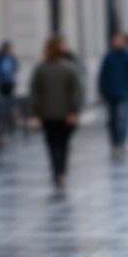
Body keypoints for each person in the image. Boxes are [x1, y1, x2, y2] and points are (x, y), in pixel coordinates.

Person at [30, 35, 85, 192]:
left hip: (47, 114)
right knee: (63, 145)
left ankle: (56, 172)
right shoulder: (69, 68)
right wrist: (74, 111)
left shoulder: (40, 69)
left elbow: (35, 93)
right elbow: (76, 92)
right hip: (65, 114)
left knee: (52, 144)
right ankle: (61, 172)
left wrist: (35, 113)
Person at [101, 33, 128, 156]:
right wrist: (102, 89)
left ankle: (122, 142)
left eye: (119, 41)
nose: (116, 43)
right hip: (111, 92)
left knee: (124, 118)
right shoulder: (108, 57)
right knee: (112, 120)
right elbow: (103, 74)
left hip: (126, 92)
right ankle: (115, 142)